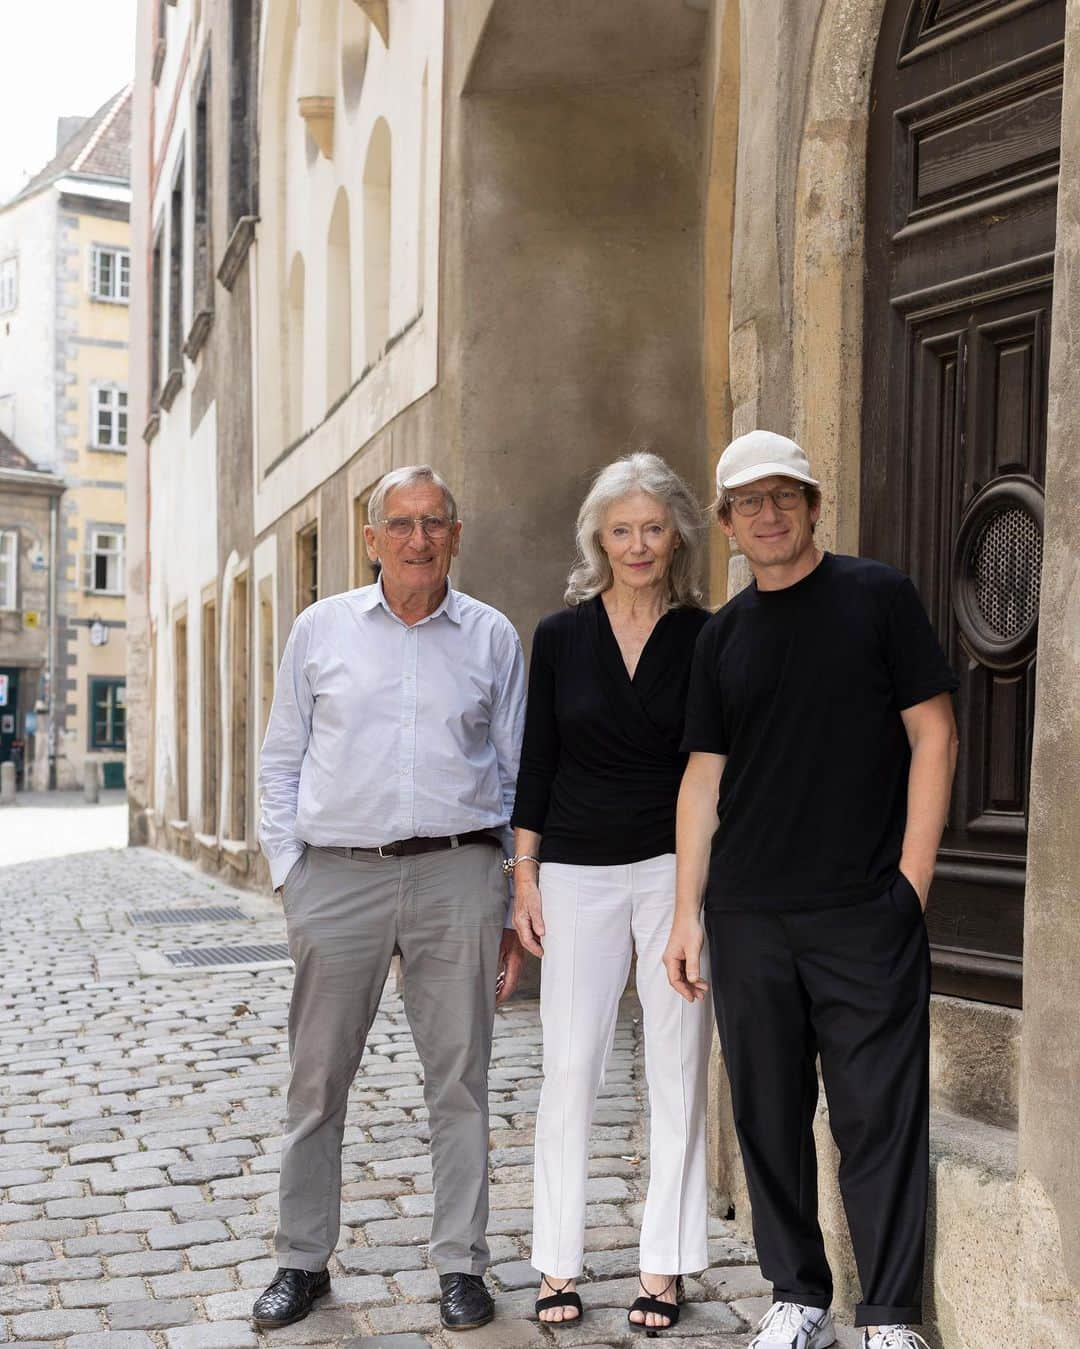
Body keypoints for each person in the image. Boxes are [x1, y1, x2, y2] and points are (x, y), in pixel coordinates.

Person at [663, 430, 958, 1349]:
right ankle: (797, 1295)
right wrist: (686, 914)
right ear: (726, 525)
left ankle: (889, 1315)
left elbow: (935, 736)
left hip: (863, 910)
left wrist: (910, 885)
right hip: (748, 915)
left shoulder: (878, 597)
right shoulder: (721, 637)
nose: (769, 513)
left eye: (785, 495)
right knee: (767, 1111)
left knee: (879, 1110)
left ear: (814, 504)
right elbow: (702, 781)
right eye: (749, 503)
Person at [255, 465, 526, 1333]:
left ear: (456, 533)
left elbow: (519, 776)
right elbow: (280, 759)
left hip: (458, 874)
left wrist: (514, 893)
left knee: (462, 1082)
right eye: (400, 524)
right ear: (371, 539)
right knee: (318, 1078)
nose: (418, 539)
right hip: (336, 878)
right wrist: (291, 875)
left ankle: (461, 1265)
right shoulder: (320, 629)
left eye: (434, 522)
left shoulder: (491, 638)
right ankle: (302, 1258)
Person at [511, 452, 713, 1334]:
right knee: (570, 1069)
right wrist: (523, 873)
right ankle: (557, 1261)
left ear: (677, 539)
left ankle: (663, 1266)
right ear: (599, 535)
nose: (638, 544)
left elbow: (714, 767)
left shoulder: (707, 635)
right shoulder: (559, 635)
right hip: (578, 871)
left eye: (654, 528)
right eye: (622, 529)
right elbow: (535, 761)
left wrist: (694, 900)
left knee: (677, 1070)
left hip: (675, 870)